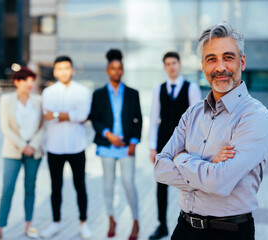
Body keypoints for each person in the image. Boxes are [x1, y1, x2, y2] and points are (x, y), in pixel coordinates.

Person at [154, 22, 268, 240]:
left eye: (228, 57)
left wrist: (182, 158)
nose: (220, 67)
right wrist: (208, 168)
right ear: (203, 66)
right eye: (212, 59)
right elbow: (160, 168)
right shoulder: (192, 114)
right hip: (184, 229)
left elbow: (219, 183)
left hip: (229, 232)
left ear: (242, 62)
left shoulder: (255, 117)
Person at [89, 49, 142, 240]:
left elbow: (138, 119)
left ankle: (136, 221)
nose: (116, 71)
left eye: (119, 68)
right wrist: (107, 134)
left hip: (127, 147)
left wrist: (134, 142)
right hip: (107, 146)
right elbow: (94, 118)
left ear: (123, 70)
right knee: (108, 184)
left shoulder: (132, 93)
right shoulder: (99, 94)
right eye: (113, 68)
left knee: (129, 183)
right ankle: (111, 218)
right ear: (107, 70)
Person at [148, 51, 201, 239]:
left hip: (185, 146)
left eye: (174, 63)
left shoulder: (191, 88)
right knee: (160, 185)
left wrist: (193, 148)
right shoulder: (158, 89)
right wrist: (152, 147)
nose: (171, 66)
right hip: (163, 143)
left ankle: (191, 221)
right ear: (165, 67)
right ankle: (162, 224)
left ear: (180, 64)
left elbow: (197, 120)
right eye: (168, 64)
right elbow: (154, 119)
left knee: (188, 183)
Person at [0, 67, 44, 240]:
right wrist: (22, 146)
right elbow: (5, 127)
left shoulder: (38, 101)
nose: (29, 83)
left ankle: (28, 225)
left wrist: (32, 145)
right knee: (7, 189)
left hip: (34, 152)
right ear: (16, 82)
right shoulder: (6, 100)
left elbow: (43, 126)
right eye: (25, 80)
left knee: (30, 188)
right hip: (12, 151)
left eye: (32, 80)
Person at [40, 56, 92, 239]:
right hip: (54, 147)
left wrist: (57, 114)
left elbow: (83, 115)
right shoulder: (48, 92)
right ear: (55, 71)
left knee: (80, 185)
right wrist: (71, 115)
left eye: (66, 68)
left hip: (77, 146)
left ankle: (83, 223)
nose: (63, 72)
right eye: (59, 69)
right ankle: (55, 223)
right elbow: (48, 116)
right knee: (56, 187)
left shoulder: (83, 91)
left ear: (73, 70)